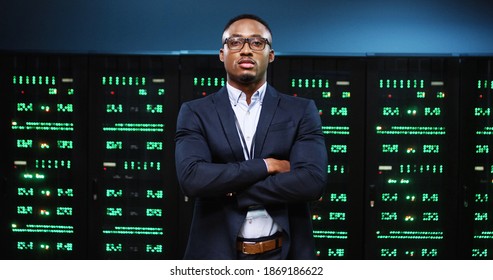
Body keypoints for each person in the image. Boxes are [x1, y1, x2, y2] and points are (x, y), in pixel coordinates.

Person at [175, 14, 328, 260]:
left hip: (284, 256)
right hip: (216, 258)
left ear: (271, 54)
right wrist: (268, 165)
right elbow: (192, 179)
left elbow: (312, 182)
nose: (246, 50)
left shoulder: (300, 111)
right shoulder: (195, 112)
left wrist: (231, 190)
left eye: (257, 43)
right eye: (235, 42)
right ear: (222, 54)